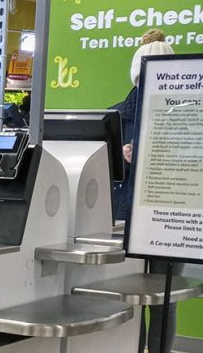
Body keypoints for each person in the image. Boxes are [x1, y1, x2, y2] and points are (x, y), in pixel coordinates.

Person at [109, 29, 181, 353]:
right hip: (151, 216)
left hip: (157, 217)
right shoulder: (116, 116)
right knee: (149, 298)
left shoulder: (116, 114)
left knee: (154, 299)